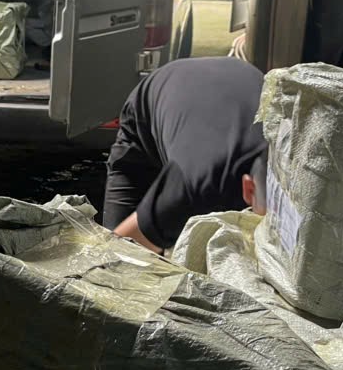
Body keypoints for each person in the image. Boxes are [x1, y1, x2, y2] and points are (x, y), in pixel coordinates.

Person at [102, 57, 268, 253]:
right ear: (249, 189)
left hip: (233, 78)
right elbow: (118, 253)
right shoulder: (197, 185)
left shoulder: (292, 156)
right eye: (270, 223)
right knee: (123, 257)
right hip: (156, 99)